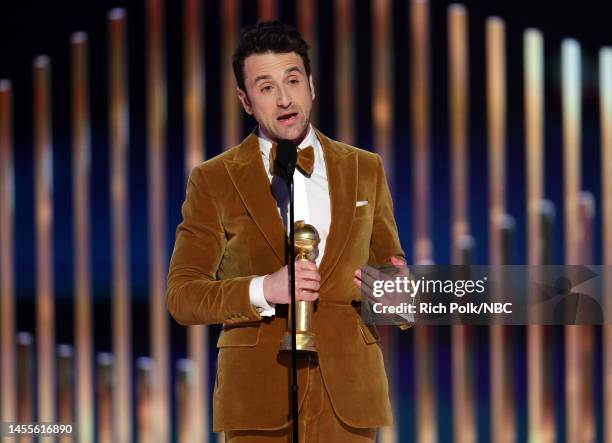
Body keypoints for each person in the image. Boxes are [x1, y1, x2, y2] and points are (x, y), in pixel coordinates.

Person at [167, 20, 408, 442]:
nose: (284, 99)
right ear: (245, 99)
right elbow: (183, 297)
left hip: (349, 399)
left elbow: (392, 273)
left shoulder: (365, 168)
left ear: (311, 86)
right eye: (265, 87)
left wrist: (399, 297)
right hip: (256, 400)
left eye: (292, 81)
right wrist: (265, 289)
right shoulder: (214, 179)